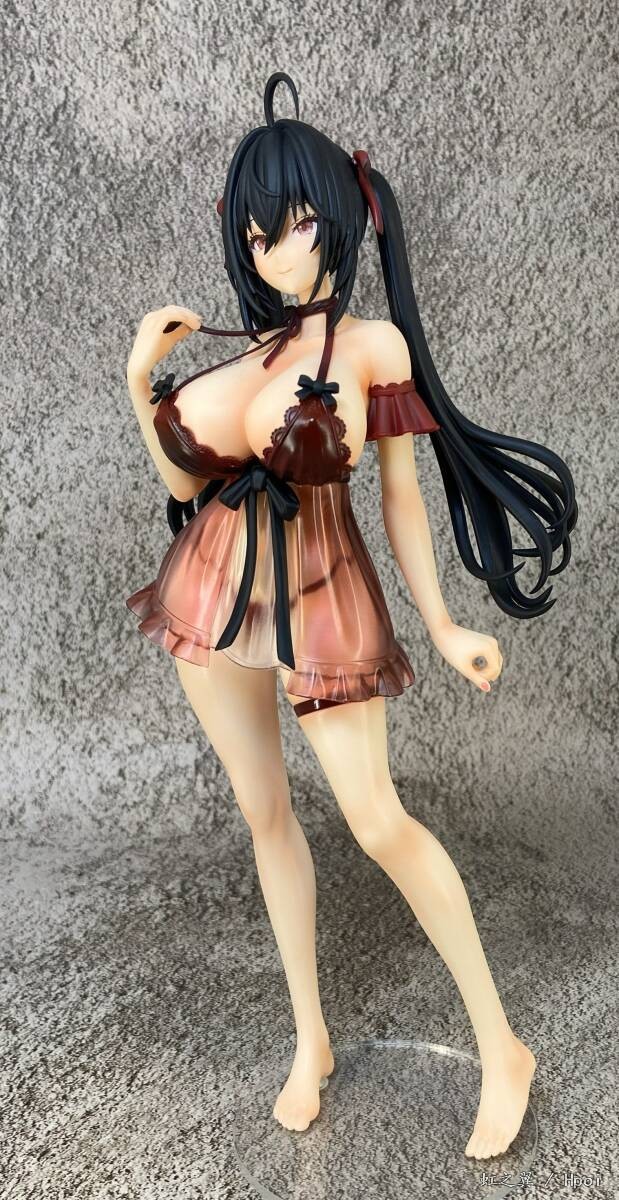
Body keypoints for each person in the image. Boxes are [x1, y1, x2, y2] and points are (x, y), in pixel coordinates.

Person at [125, 71, 576, 1154]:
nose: (271, 251)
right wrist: (142, 382)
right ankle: (310, 1038)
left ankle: (501, 1045)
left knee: (376, 820)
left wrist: (443, 624)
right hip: (209, 597)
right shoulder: (246, 352)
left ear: (336, 215)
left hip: (324, 597)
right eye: (254, 232)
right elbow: (184, 488)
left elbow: (401, 500)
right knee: (265, 817)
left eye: (289, 223)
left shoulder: (370, 347)